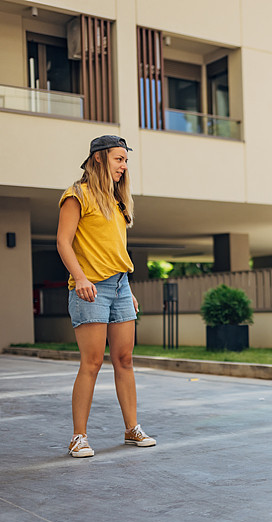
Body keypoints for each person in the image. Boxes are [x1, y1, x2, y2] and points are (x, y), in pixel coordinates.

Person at [57, 135, 156, 458]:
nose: (124, 166)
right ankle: (78, 436)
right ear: (98, 158)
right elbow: (63, 241)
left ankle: (132, 428)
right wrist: (81, 277)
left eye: (125, 160)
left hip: (120, 286)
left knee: (125, 360)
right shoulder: (77, 195)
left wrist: (128, 290)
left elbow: (113, 249)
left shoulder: (117, 200)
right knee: (92, 362)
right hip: (91, 289)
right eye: (118, 159)